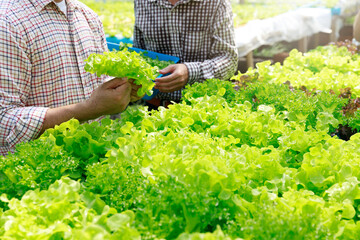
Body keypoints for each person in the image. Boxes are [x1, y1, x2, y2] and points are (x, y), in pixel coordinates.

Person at [0, 0, 141, 156]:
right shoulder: (7, 22)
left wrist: (121, 92)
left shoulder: (87, 16)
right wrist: (88, 109)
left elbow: (98, 85)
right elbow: (3, 120)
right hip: (39, 171)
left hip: (86, 166)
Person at [133, 0, 238, 109]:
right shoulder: (142, 2)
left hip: (204, 108)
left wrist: (190, 71)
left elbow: (229, 58)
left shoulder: (216, 3)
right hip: (154, 107)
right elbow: (138, 53)